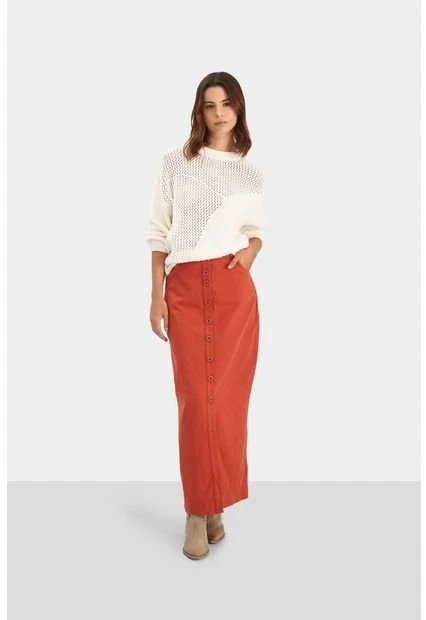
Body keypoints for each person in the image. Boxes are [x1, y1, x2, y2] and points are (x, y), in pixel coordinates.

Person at [145, 71, 267, 560]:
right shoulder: (175, 162)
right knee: (196, 402)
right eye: (210, 104)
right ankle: (197, 511)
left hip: (234, 295)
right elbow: (158, 232)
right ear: (198, 110)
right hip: (184, 289)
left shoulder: (249, 172)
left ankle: (215, 507)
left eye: (227, 104)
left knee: (228, 405)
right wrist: (156, 296)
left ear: (239, 108)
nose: (219, 113)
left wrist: (251, 252)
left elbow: (257, 231)